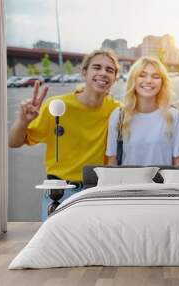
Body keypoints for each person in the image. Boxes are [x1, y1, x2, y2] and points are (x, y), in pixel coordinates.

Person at [8, 49, 120, 220]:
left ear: (115, 78)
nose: (103, 73)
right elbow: (14, 142)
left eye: (109, 70)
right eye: (97, 67)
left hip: (96, 192)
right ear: (84, 73)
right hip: (60, 194)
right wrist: (23, 121)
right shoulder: (56, 106)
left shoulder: (116, 110)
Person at [106, 56, 179, 166]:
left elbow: (177, 163)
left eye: (155, 76)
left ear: (162, 82)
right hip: (128, 182)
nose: (149, 81)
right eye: (142, 75)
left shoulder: (173, 116)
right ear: (133, 80)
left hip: (163, 183)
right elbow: (112, 162)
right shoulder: (118, 116)